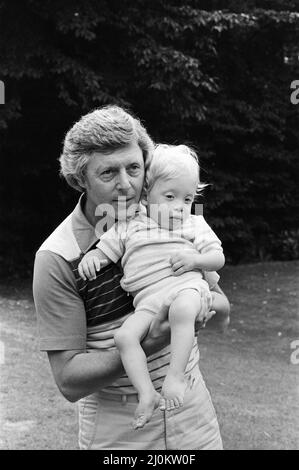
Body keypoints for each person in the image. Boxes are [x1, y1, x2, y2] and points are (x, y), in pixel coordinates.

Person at [33, 105, 230, 450]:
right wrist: (151, 339)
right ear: (80, 179)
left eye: (134, 168)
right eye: (108, 173)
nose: (127, 185)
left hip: (193, 413)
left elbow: (221, 306)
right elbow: (68, 381)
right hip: (121, 431)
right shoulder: (58, 258)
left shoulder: (169, 215)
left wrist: (202, 304)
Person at [78, 144, 225, 429]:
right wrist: (92, 258)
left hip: (185, 290)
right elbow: (104, 250)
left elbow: (218, 258)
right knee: (124, 337)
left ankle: (176, 376)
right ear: (147, 193)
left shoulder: (194, 224)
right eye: (169, 197)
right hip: (147, 303)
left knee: (182, 311)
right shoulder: (130, 224)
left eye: (187, 199)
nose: (179, 207)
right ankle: (146, 393)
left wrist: (196, 258)